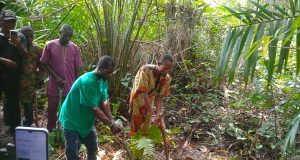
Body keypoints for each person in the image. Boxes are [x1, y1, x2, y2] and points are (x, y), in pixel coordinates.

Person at [59, 55, 122, 160]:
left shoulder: (103, 80)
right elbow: (94, 109)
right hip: (71, 119)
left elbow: (105, 101)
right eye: (107, 72)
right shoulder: (87, 82)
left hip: (85, 121)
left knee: (92, 147)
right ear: (100, 68)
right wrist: (110, 124)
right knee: (73, 152)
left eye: (111, 73)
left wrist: (112, 121)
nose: (109, 75)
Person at [40, 24, 83, 131]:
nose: (68, 38)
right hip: (54, 84)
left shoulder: (74, 47)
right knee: (52, 109)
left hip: (70, 84)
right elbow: (44, 62)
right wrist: (56, 76)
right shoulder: (50, 45)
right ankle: (50, 132)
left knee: (68, 111)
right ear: (60, 33)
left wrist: (76, 85)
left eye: (70, 36)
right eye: (66, 35)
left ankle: (66, 133)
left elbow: (77, 67)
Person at [129, 54, 174, 136]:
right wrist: (153, 113)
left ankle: (145, 142)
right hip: (138, 97)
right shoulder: (145, 70)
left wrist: (158, 115)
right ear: (159, 64)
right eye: (165, 68)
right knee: (137, 119)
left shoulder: (167, 78)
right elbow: (144, 94)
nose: (166, 71)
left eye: (169, 69)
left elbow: (159, 99)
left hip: (150, 98)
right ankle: (135, 143)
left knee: (148, 121)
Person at [0, 10, 24, 134]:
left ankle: (15, 133)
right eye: (8, 21)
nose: (11, 24)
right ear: (1, 22)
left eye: (13, 21)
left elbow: (26, 56)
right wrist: (5, 61)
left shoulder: (19, 37)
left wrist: (18, 45)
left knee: (14, 104)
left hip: (13, 77)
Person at [19, 26, 44, 126]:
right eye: (26, 36)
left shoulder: (37, 49)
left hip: (29, 82)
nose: (29, 39)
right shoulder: (15, 46)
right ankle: (13, 126)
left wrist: (38, 80)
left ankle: (28, 124)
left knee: (28, 103)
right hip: (14, 80)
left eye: (31, 36)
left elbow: (42, 67)